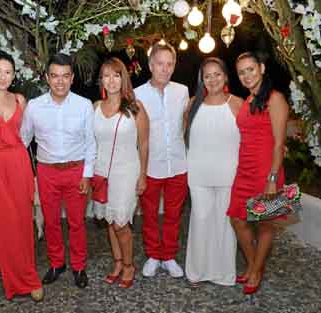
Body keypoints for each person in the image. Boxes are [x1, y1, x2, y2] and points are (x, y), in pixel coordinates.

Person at [0, 51, 43, 301]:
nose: (3, 76)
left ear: (14, 75)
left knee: (23, 221)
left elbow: (29, 137)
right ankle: (13, 281)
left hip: (18, 162)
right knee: (3, 223)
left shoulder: (21, 100)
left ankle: (29, 277)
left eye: (8, 72)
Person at [21, 53, 96, 288]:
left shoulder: (84, 105)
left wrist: (87, 174)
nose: (60, 82)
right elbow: (23, 140)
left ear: (72, 78)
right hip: (46, 172)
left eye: (65, 76)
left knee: (77, 223)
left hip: (76, 170)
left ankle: (79, 266)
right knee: (51, 222)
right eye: (54, 76)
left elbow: (91, 142)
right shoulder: (34, 107)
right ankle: (56, 263)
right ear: (47, 78)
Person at [228, 51, 289, 294]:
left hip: (266, 170)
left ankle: (255, 270)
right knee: (238, 219)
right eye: (242, 72)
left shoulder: (275, 99)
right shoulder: (248, 101)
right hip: (244, 169)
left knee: (265, 224)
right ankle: (255, 265)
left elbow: (278, 144)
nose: (246, 75)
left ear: (262, 68)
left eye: (250, 69)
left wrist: (272, 179)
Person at [184, 57, 243, 286]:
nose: (213, 79)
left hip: (229, 173)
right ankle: (197, 271)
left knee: (226, 224)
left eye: (217, 74)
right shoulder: (193, 104)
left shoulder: (237, 103)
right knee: (200, 219)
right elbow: (184, 136)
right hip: (198, 173)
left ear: (226, 76)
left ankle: (223, 274)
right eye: (207, 75)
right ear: (202, 80)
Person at [93, 58, 149, 288]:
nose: (111, 80)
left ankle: (129, 265)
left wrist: (143, 175)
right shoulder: (95, 106)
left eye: (116, 75)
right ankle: (117, 262)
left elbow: (144, 144)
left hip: (126, 171)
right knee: (109, 220)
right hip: (101, 171)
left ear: (123, 78)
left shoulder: (135, 107)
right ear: (102, 80)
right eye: (106, 75)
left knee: (121, 223)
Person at [135, 42, 189, 278]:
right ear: (150, 65)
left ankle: (168, 255)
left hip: (178, 163)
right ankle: (153, 254)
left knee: (173, 214)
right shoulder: (137, 94)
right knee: (148, 214)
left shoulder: (182, 91)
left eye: (169, 64)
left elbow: (184, 124)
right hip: (150, 165)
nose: (165, 69)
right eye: (160, 64)